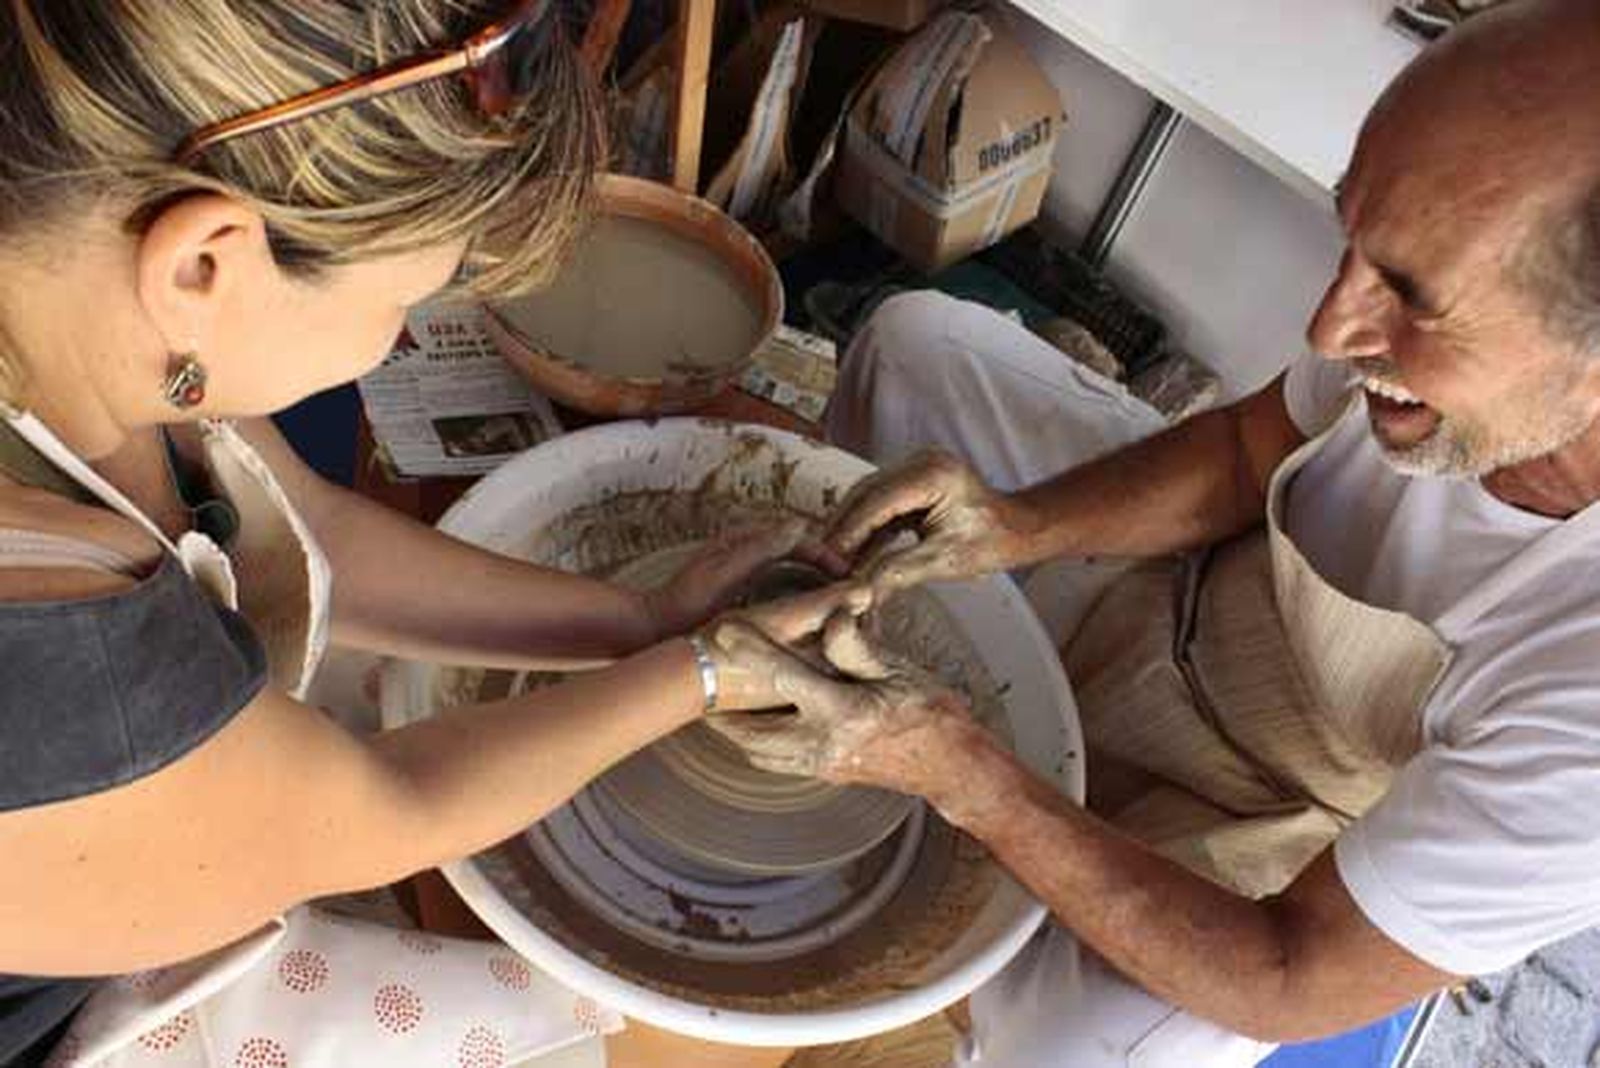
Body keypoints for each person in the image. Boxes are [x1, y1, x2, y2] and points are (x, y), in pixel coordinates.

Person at [703, 0, 1600, 1064]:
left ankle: (933, 863)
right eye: (1351, 235)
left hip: (1265, 813)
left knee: (1089, 1040)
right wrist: (1008, 528)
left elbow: (1292, 973)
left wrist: (966, 778)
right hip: (1181, 590)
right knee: (912, 346)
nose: (1329, 325)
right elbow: (1242, 452)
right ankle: (884, 655)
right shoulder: (1407, 330)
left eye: (1408, 296)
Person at [0, 3, 844, 1066]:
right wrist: (706, 674)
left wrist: (640, 618)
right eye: (408, 296)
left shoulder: (74, 263)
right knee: (691, 1046)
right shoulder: (60, 661)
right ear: (205, 266)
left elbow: (304, 535)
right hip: (54, 1006)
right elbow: (394, 804)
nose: (399, 335)